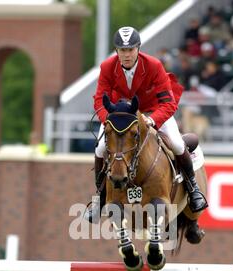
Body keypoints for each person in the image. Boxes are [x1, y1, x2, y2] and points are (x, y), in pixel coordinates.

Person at [85, 26, 208, 223]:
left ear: (138, 49)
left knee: (176, 143)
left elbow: (168, 102)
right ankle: (100, 198)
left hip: (153, 112)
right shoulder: (108, 66)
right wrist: (109, 118)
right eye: (122, 50)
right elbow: (99, 100)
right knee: (100, 148)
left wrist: (152, 120)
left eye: (130, 50)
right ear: (117, 50)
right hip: (119, 116)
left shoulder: (153, 65)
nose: (126, 55)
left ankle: (193, 190)